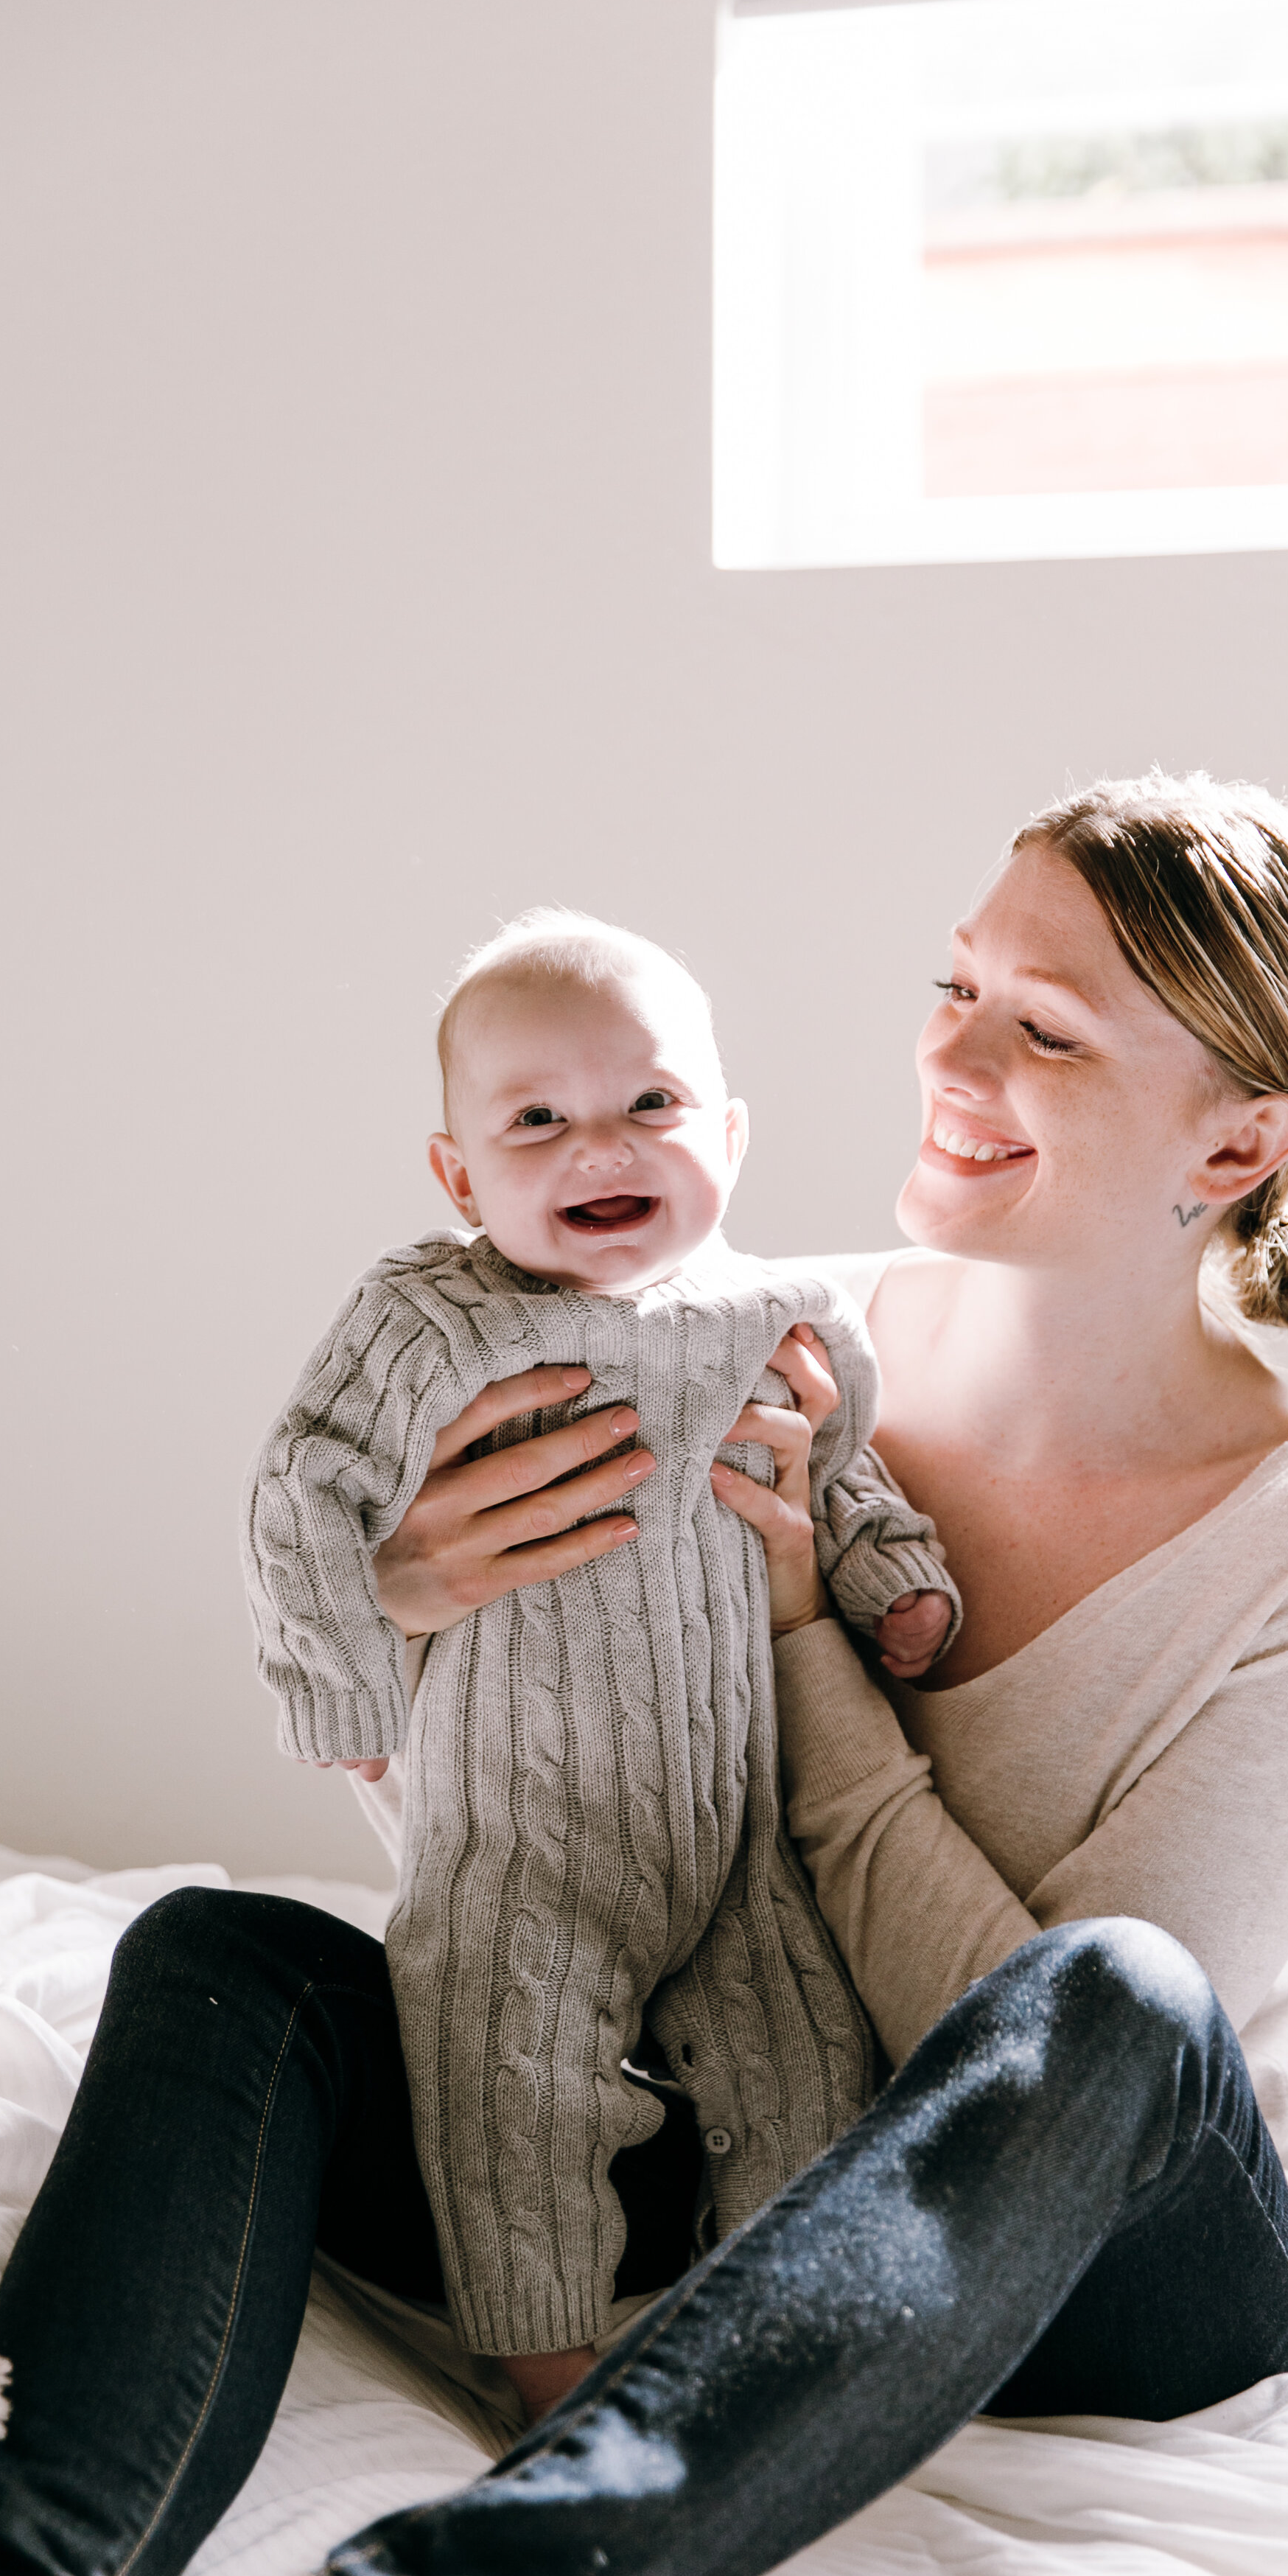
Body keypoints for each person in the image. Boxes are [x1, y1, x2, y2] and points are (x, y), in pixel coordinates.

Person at [0, 772, 1288, 2576]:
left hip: (1119, 2276)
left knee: (1109, 1987)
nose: (947, 1049)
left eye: (1042, 1023)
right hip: (709, 2143)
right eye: (953, 981)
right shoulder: (748, 1338)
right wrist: (416, 1620)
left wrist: (804, 1651)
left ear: (1243, 1133)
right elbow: (527, 1831)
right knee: (227, 1954)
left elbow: (1021, 2055)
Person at [241, 909, 956, 2389]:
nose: (598, 1150)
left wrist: (893, 1580)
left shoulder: (786, 1314)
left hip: (738, 1830)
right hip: (522, 1835)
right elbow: (305, 1491)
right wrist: (346, 1687)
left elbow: (843, 1476)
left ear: (731, 1136)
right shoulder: (436, 1318)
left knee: (807, 2068)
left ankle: (782, 2357)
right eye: (536, 1122)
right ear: (457, 1175)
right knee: (507, 2079)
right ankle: (548, 2364)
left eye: (649, 1106)